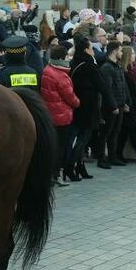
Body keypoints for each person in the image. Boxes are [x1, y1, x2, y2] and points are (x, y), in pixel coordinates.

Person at [69, 33, 109, 178]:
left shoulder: (74, 62)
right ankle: (70, 164)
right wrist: (111, 103)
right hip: (88, 107)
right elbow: (102, 86)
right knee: (83, 139)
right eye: (91, 48)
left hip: (77, 106)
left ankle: (79, 167)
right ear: (86, 50)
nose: (93, 50)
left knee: (78, 138)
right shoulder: (89, 65)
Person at [41, 45, 80, 184]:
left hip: (50, 115)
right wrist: (77, 103)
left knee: (53, 146)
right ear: (61, 58)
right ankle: (56, 174)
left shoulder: (47, 70)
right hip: (62, 116)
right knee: (61, 147)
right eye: (67, 56)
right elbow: (70, 97)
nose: (69, 58)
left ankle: (50, 174)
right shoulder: (61, 75)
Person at [98, 41, 128, 167]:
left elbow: (122, 86)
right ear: (115, 51)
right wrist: (113, 105)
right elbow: (107, 89)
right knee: (106, 133)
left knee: (115, 132)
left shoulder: (117, 66)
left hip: (120, 104)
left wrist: (125, 102)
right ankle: (101, 159)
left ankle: (112, 156)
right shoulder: (106, 68)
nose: (121, 53)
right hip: (111, 107)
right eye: (120, 51)